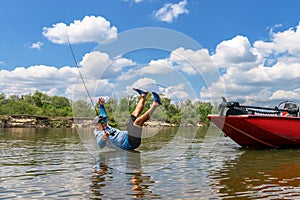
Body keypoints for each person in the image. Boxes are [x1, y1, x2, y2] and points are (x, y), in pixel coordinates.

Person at [93, 88, 162, 150]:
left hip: (129, 135)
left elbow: (103, 114)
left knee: (134, 114)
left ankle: (143, 96)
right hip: (129, 144)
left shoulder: (104, 125)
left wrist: (101, 105)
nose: (104, 122)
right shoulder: (99, 134)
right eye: (101, 122)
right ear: (97, 126)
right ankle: (156, 104)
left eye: (104, 121)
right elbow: (100, 145)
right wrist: (104, 138)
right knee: (138, 122)